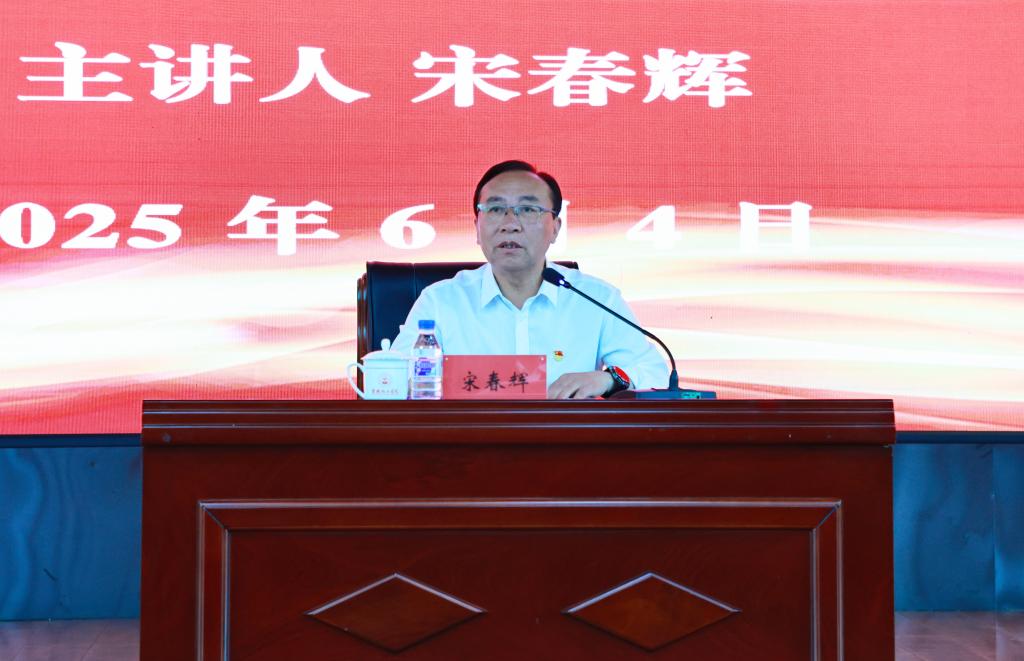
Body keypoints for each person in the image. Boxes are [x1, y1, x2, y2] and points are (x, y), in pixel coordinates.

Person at [391, 160, 669, 399]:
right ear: (477, 227)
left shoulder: (596, 299)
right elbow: (394, 381)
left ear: (555, 228)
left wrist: (609, 380)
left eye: (528, 209)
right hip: (468, 442)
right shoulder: (440, 301)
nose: (510, 223)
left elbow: (654, 374)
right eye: (495, 209)